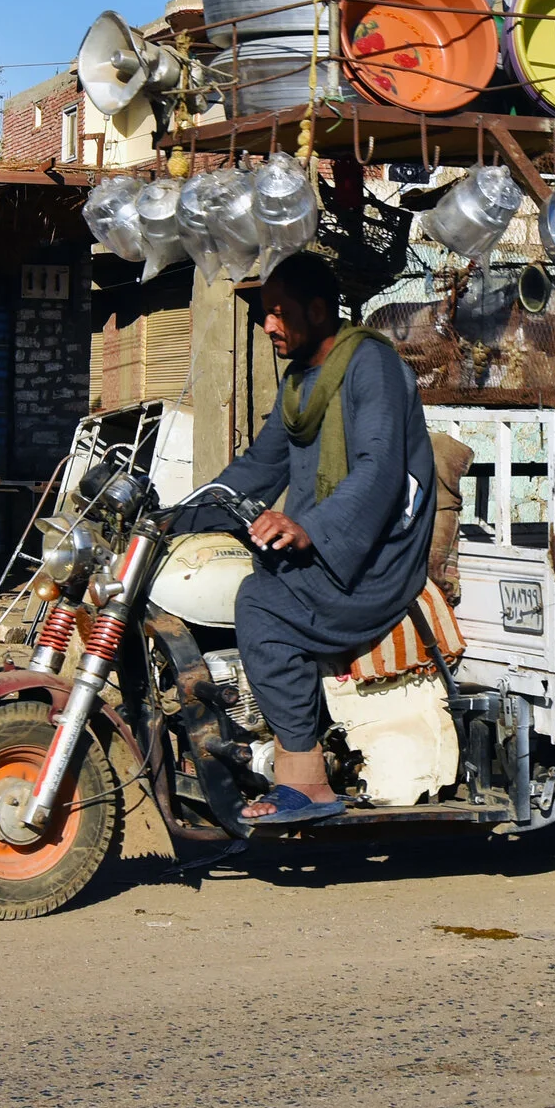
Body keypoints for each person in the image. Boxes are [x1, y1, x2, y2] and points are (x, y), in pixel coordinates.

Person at [179, 251, 434, 824]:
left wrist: (308, 527)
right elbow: (259, 468)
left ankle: (307, 778)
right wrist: (179, 515)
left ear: (318, 311)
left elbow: (378, 470)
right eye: (265, 314)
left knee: (263, 603)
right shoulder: (301, 381)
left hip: (378, 554)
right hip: (332, 542)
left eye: (279, 312)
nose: (268, 325)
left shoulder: (372, 365)